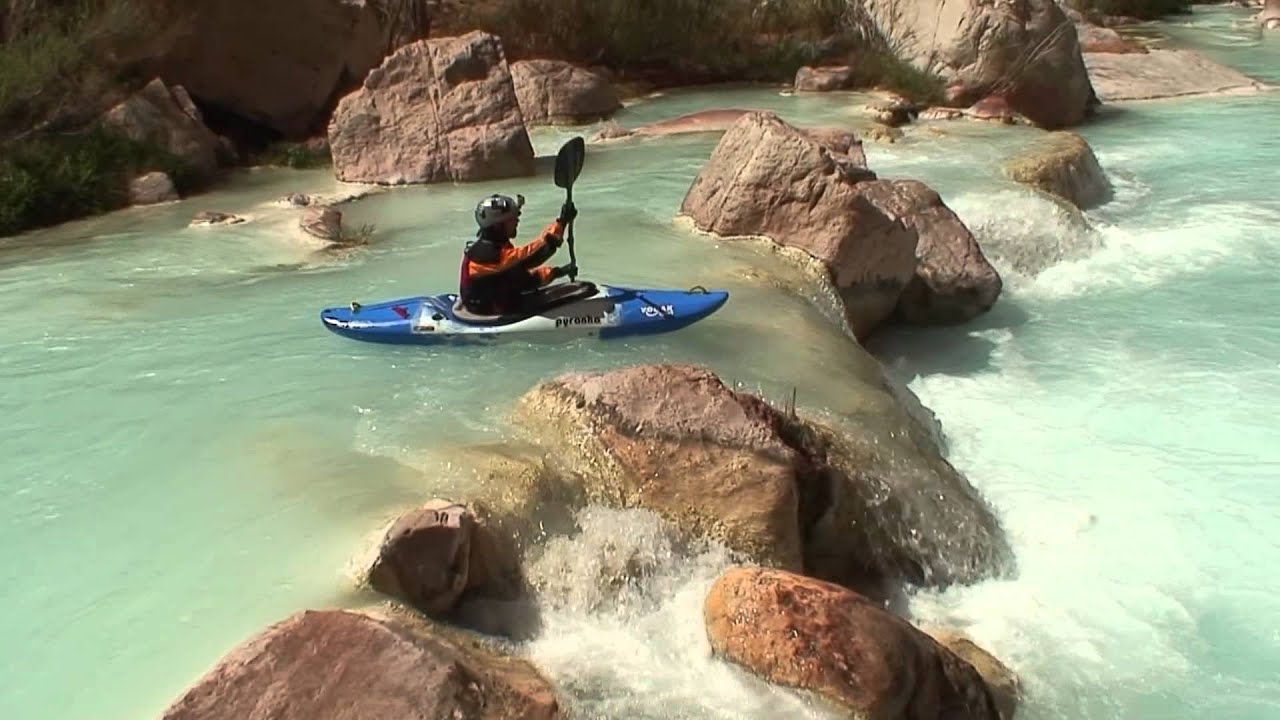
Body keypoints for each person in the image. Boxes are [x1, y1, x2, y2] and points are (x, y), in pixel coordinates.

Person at [458, 193, 578, 315]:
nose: (517, 221)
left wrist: (557, 272)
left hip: (499, 301)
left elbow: (523, 277)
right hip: (489, 311)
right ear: (498, 226)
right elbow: (533, 255)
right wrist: (562, 222)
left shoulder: (498, 246)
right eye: (512, 219)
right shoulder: (487, 255)